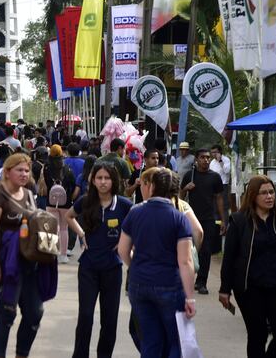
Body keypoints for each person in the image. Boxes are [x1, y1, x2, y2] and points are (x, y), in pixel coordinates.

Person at [219, 175, 276, 358]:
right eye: (263, 193)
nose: (269, 197)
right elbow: (229, 258)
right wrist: (224, 289)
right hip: (249, 288)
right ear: (253, 196)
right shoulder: (239, 221)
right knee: (258, 335)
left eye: (271, 192)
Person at [117, 167, 196, 358]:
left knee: (150, 341)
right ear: (175, 191)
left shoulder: (135, 212)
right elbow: (185, 261)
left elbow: (122, 250)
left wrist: (135, 266)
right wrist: (190, 296)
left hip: (139, 284)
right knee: (175, 341)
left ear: (152, 186)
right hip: (169, 284)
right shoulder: (179, 218)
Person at [0, 153, 51, 358]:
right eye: (19, 170)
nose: (24, 174)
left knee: (34, 313)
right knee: (6, 314)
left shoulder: (29, 194)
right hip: (6, 265)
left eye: (26, 170)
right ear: (7, 171)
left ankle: (22, 354)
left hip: (30, 263)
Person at [66, 163, 132, 358]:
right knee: (85, 316)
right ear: (93, 181)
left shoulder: (125, 205)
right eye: (99, 178)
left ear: (114, 181)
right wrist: (81, 234)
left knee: (109, 319)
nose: (103, 182)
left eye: (107, 178)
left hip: (112, 268)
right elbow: (69, 216)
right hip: (88, 268)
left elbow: (137, 226)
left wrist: (124, 242)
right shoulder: (86, 201)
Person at [180, 148, 226, 295]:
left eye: (207, 157)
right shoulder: (190, 176)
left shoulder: (215, 177)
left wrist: (223, 219)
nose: (205, 160)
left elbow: (219, 198)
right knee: (188, 250)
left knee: (205, 251)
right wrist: (186, 188)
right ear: (197, 160)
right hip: (190, 218)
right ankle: (186, 279)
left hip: (208, 219)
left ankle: (201, 282)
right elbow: (180, 197)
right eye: (202, 157)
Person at [44, 144, 77, 264]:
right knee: (64, 228)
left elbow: (46, 184)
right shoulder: (67, 168)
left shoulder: (46, 168)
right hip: (65, 202)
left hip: (51, 201)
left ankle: (51, 253)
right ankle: (63, 255)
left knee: (52, 227)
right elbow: (72, 184)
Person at [210, 144, 232, 215]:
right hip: (213, 186)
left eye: (215, 152)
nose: (214, 154)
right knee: (215, 205)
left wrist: (220, 161)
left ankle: (225, 223)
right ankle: (217, 224)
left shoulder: (226, 160)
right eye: (212, 152)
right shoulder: (212, 162)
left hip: (223, 185)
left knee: (224, 205)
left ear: (220, 152)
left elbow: (227, 171)